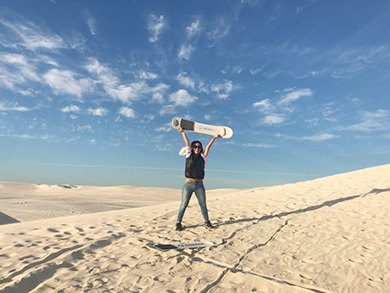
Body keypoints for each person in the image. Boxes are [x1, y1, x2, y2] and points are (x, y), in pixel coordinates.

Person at [176, 127, 221, 231]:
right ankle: (178, 222)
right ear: (192, 148)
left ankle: (206, 222)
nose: (197, 148)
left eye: (199, 147)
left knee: (203, 204)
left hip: (200, 185)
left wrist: (214, 138)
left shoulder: (202, 157)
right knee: (184, 204)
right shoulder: (188, 154)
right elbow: (187, 143)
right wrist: (182, 132)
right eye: (195, 146)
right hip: (188, 184)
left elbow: (208, 148)